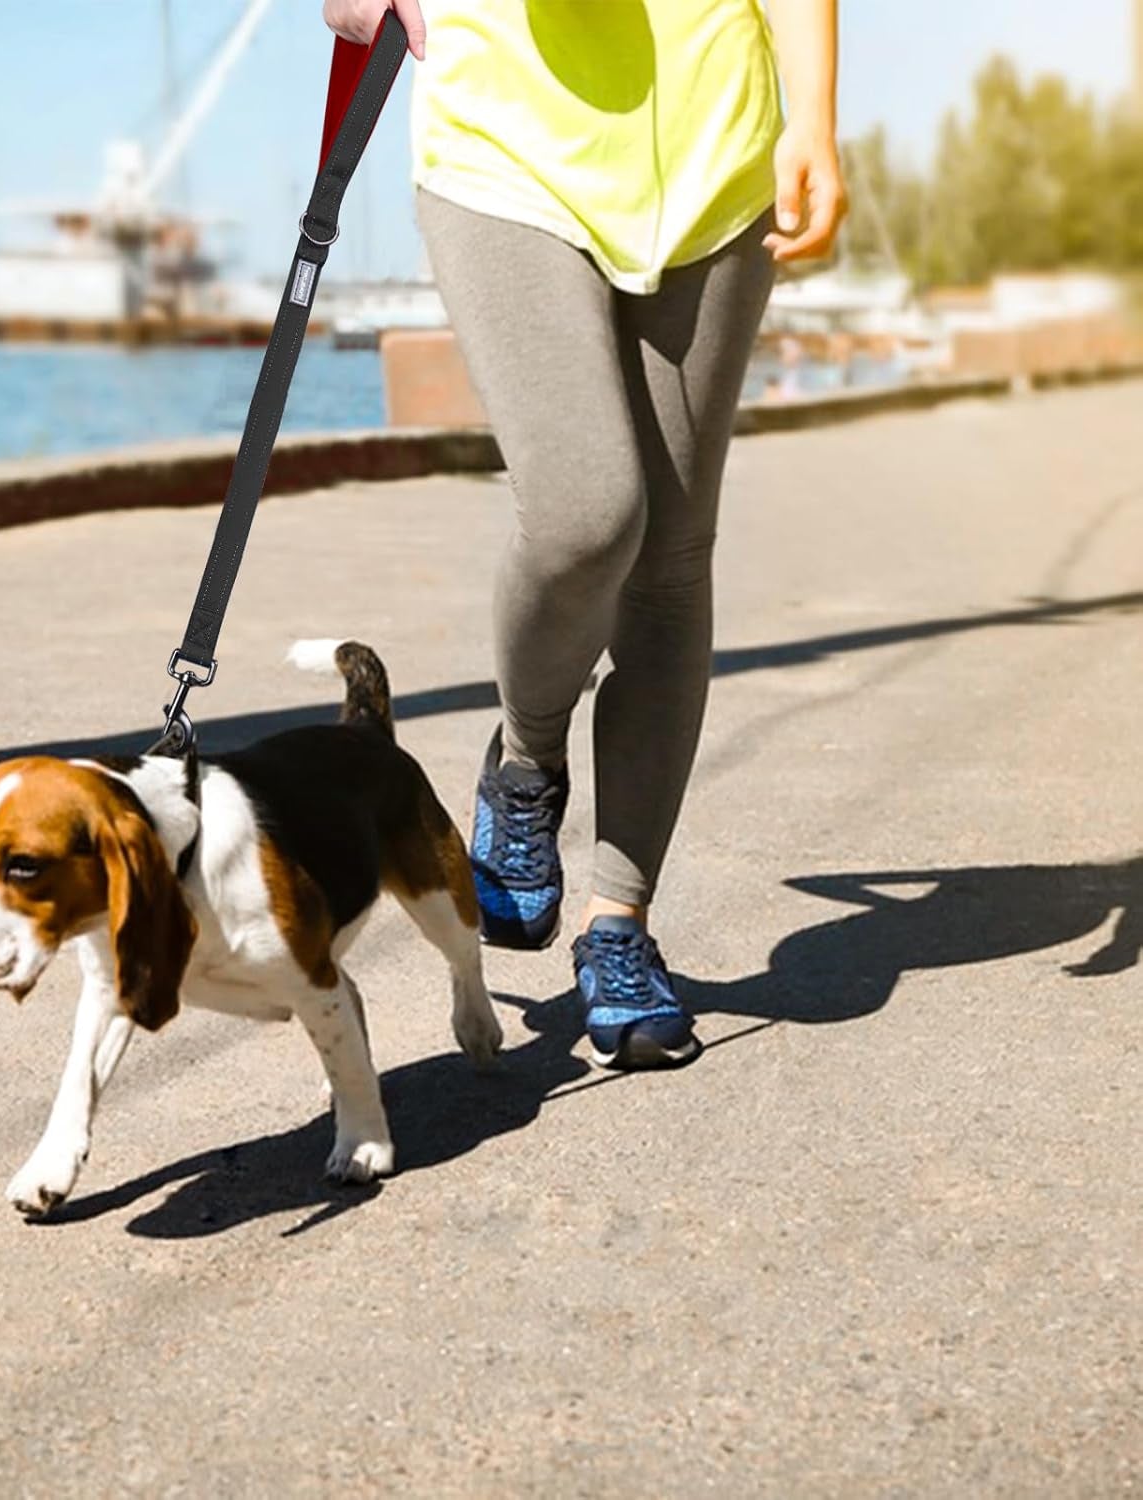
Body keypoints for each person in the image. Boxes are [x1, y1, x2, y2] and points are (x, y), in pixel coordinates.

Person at [324, 0, 847, 1067]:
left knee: (671, 559)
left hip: (712, 147)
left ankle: (620, 924)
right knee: (585, 516)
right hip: (503, 142)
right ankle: (526, 760)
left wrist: (816, 115)